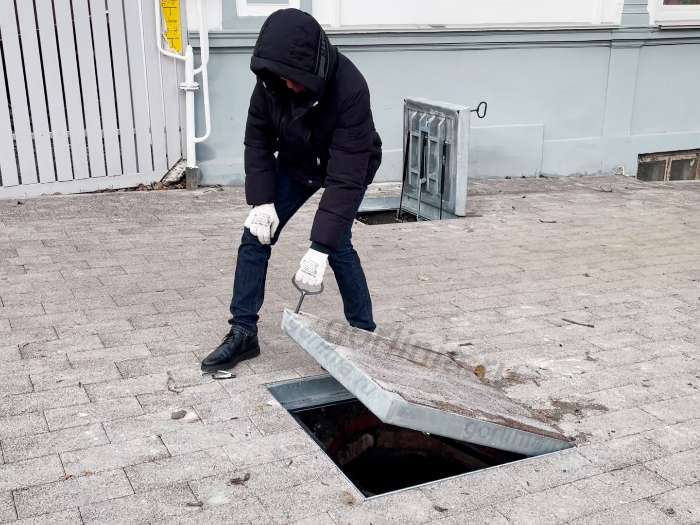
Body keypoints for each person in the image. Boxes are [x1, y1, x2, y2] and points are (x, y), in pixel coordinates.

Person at [201, 8, 382, 372]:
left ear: (314, 68)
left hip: (347, 164)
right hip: (298, 160)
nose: (289, 87)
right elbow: (258, 139)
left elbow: (346, 177)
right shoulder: (272, 81)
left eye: (295, 80)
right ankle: (243, 331)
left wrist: (319, 248)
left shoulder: (350, 88)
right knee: (255, 235)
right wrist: (262, 202)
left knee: (337, 243)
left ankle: (363, 336)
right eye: (283, 79)